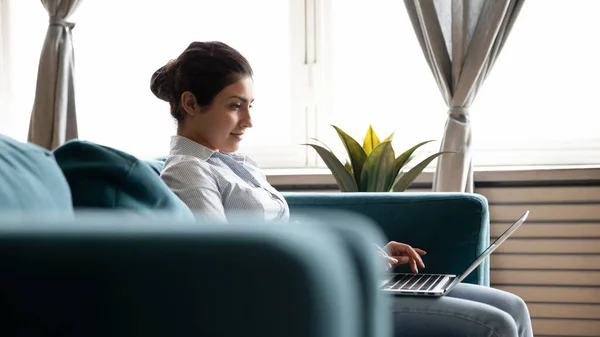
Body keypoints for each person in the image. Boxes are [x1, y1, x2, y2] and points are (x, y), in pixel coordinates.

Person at [152, 41, 533, 337]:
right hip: (298, 300)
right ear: (190, 103)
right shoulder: (188, 172)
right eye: (236, 106)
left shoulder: (234, 162)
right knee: (493, 325)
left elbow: (286, 234)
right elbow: (222, 267)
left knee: (513, 307)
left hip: (327, 281)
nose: (249, 120)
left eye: (251, 105)